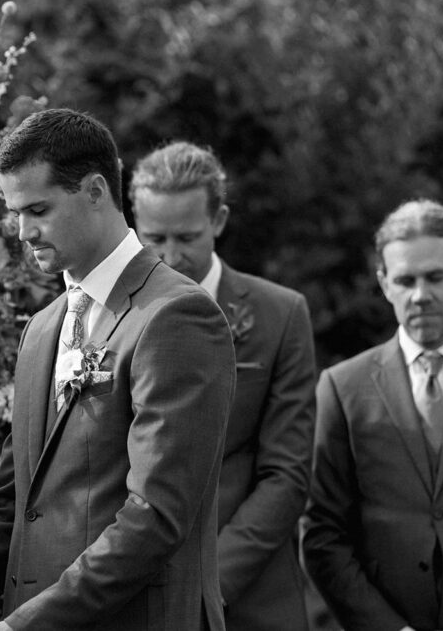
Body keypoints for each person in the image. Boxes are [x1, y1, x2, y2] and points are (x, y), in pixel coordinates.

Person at [0, 108, 236, 631]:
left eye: (38, 209)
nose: (23, 232)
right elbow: (13, 507)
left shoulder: (175, 315)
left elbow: (155, 517)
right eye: (15, 213)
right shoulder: (42, 329)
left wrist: (20, 627)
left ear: (95, 191)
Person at [129, 141, 316, 630]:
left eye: (187, 238)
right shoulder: (110, 315)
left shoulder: (282, 314)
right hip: (130, 593)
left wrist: (207, 585)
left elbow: (287, 475)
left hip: (250, 599)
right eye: (154, 238)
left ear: (220, 220)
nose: (170, 257)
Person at [303, 200, 443, 631]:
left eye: (435, 277)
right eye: (405, 280)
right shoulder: (344, 387)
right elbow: (322, 534)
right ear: (383, 283)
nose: (420, 295)